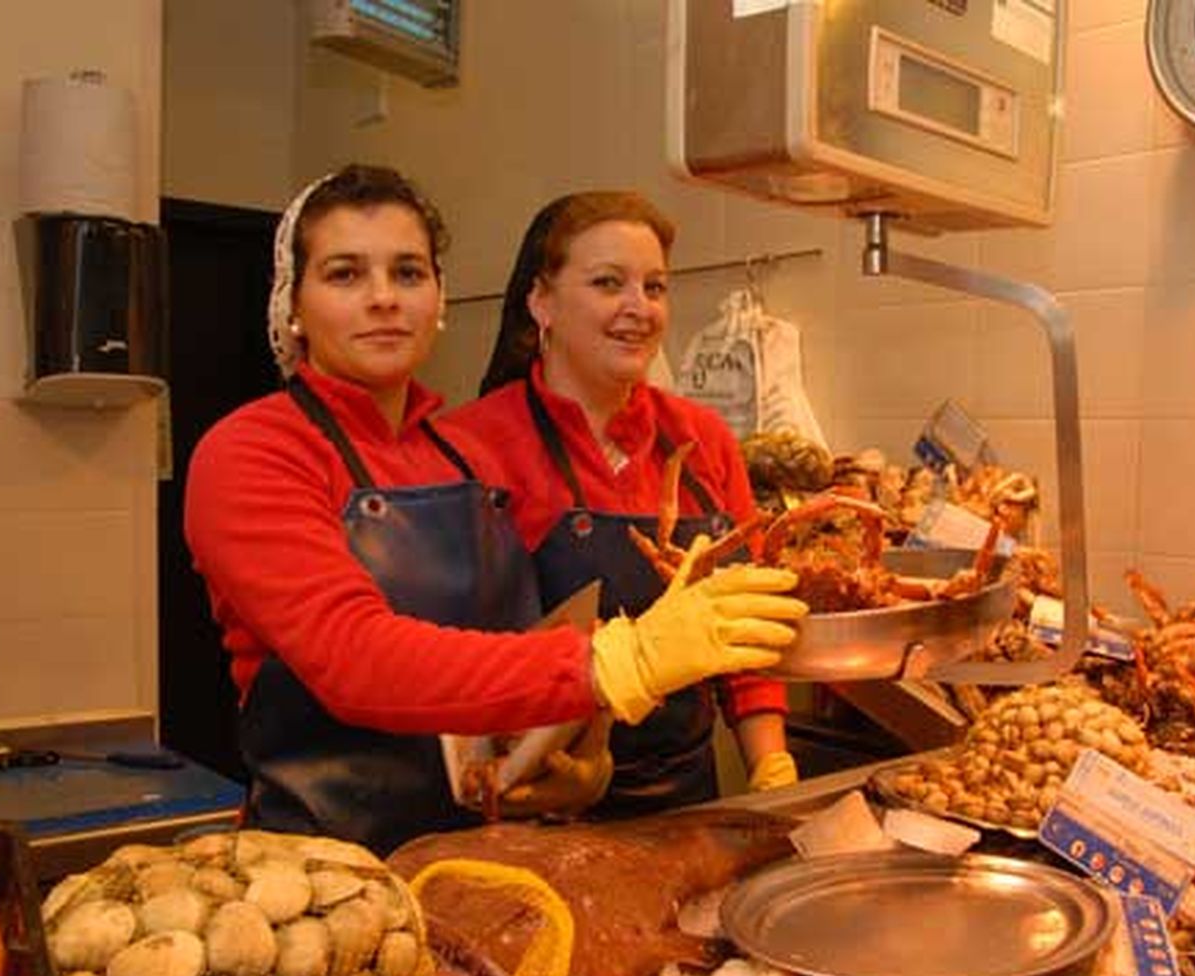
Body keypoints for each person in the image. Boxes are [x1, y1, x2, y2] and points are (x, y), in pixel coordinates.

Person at [183, 166, 807, 854]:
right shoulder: (251, 451)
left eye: (408, 272)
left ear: (438, 298)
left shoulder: (460, 458)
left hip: (487, 854)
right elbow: (354, 657)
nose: (384, 298)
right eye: (345, 274)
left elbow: (507, 652)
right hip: (331, 865)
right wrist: (617, 663)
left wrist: (576, 766)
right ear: (293, 306)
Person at [448, 191, 802, 817]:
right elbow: (453, 664)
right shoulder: (468, 447)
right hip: (535, 798)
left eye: (655, 287)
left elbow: (748, 626)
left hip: (686, 798)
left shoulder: (703, 439)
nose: (639, 308)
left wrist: (772, 772)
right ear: (541, 302)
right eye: (609, 283)